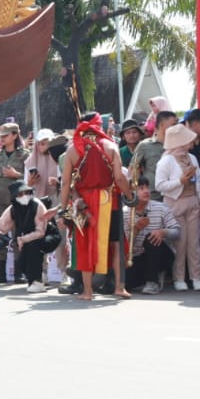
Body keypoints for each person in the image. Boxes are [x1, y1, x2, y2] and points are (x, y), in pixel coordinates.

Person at [58, 112, 132, 300]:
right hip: (110, 201)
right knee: (116, 245)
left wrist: (63, 208)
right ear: (100, 126)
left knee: (83, 244)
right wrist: (131, 196)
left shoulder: (72, 150)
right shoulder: (111, 146)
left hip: (82, 203)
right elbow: (119, 178)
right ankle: (119, 288)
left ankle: (88, 291)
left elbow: (65, 183)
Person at [155, 123, 200, 291]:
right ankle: (179, 278)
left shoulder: (192, 158)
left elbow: (199, 181)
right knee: (179, 243)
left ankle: (196, 277)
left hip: (192, 201)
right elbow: (159, 185)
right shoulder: (166, 161)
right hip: (174, 204)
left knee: (194, 242)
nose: (192, 143)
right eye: (188, 140)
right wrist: (180, 182)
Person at [0, 122, 28, 283]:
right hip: (1, 200)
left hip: (19, 200)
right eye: (1, 136)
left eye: (6, 136)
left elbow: (32, 179)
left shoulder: (25, 155)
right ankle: (0, 272)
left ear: (15, 136)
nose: (2, 139)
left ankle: (19, 273)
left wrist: (16, 175)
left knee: (19, 234)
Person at [0, 180, 52, 293]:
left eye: (26, 192)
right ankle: (38, 275)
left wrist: (23, 239)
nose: (24, 196)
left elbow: (41, 232)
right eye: (20, 194)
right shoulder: (13, 209)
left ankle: (38, 279)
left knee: (33, 245)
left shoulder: (38, 206)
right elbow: (0, 225)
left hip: (47, 233)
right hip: (27, 236)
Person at [124, 176, 180, 294]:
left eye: (147, 187)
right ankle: (147, 278)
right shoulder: (125, 213)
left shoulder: (161, 207)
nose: (146, 191)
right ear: (130, 193)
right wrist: (136, 229)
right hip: (136, 257)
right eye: (141, 188)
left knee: (151, 237)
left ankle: (152, 281)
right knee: (126, 283)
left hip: (160, 255)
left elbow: (177, 232)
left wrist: (162, 232)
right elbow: (125, 247)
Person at [131, 111, 177, 202]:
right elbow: (133, 169)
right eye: (173, 124)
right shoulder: (144, 145)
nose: (176, 128)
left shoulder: (178, 145)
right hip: (153, 196)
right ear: (162, 125)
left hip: (174, 195)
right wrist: (138, 191)